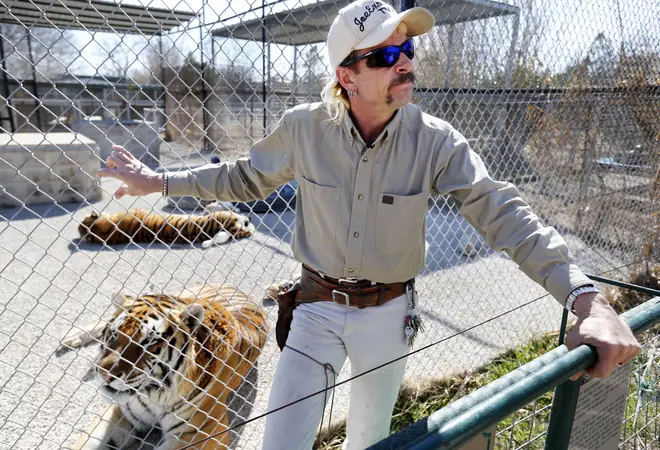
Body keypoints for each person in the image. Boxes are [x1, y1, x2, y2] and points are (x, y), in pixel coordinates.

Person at [96, 1, 641, 448]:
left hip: (388, 312)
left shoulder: (437, 141)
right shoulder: (303, 129)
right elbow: (242, 179)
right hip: (314, 307)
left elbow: (502, 213)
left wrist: (586, 299)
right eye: (384, 55)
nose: (404, 62)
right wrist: (159, 183)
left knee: (369, 441)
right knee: (281, 441)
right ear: (346, 76)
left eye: (407, 49)